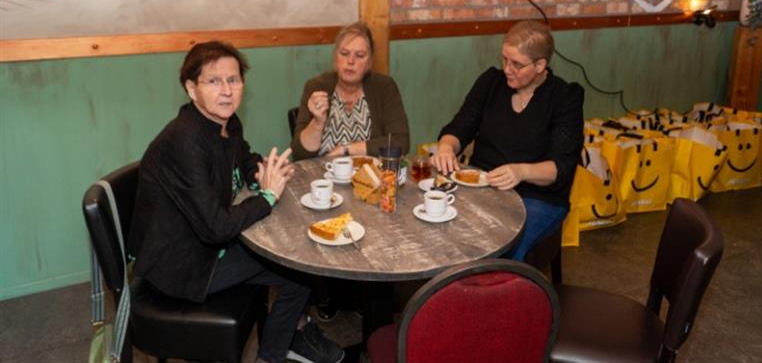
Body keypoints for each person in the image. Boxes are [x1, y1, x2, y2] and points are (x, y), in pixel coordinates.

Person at [128, 41, 343, 363]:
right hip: (182, 264)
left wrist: (263, 172)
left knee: (299, 267)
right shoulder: (184, 141)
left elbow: (244, 160)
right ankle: (279, 349)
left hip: (204, 245)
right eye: (214, 81)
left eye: (234, 80)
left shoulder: (225, 123)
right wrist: (267, 196)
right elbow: (216, 228)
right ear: (191, 88)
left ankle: (280, 346)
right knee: (299, 265)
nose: (227, 91)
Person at [431, 21, 584, 261]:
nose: (507, 69)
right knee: (440, 229)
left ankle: (498, 285)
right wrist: (446, 147)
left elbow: (562, 167)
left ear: (540, 65)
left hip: (536, 196)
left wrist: (521, 171)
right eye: (504, 60)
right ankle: (452, 285)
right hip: (483, 186)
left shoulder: (565, 97)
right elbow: (459, 127)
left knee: (502, 246)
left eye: (517, 64)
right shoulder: (491, 83)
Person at [291, 22, 409, 160]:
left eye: (360, 55)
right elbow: (299, 154)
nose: (350, 61)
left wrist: (346, 149)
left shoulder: (384, 87)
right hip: (322, 171)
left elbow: (401, 143)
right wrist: (317, 123)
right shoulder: (316, 86)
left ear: (369, 61)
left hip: (368, 171)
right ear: (335, 56)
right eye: (344, 53)